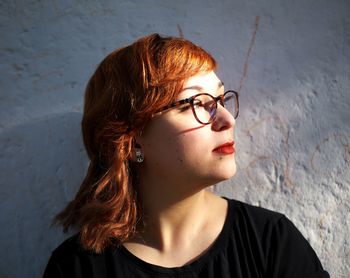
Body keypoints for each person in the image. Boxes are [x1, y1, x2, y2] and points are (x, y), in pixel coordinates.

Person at [43, 33, 329, 277]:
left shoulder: (270, 242)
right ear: (132, 141)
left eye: (219, 100)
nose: (227, 119)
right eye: (195, 104)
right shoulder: (77, 268)